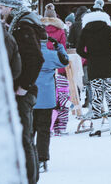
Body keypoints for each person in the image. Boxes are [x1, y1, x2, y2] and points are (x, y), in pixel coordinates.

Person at [0, 0, 44, 184]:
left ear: (10, 7)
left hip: (22, 91)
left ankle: (29, 179)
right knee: (23, 136)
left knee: (23, 137)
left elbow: (35, 58)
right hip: (20, 88)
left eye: (0, 6)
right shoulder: (16, 23)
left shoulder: (23, 26)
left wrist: (24, 86)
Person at [77, 4, 111, 136]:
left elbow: (79, 50)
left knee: (97, 97)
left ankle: (97, 128)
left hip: (94, 67)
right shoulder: (107, 28)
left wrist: (90, 56)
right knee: (110, 96)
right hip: (109, 66)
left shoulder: (85, 30)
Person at [33, 32, 69, 173]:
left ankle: (28, 158)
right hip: (47, 99)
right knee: (44, 130)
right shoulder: (51, 55)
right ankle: (42, 159)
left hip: (30, 97)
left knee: (29, 131)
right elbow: (65, 60)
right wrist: (58, 46)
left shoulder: (27, 55)